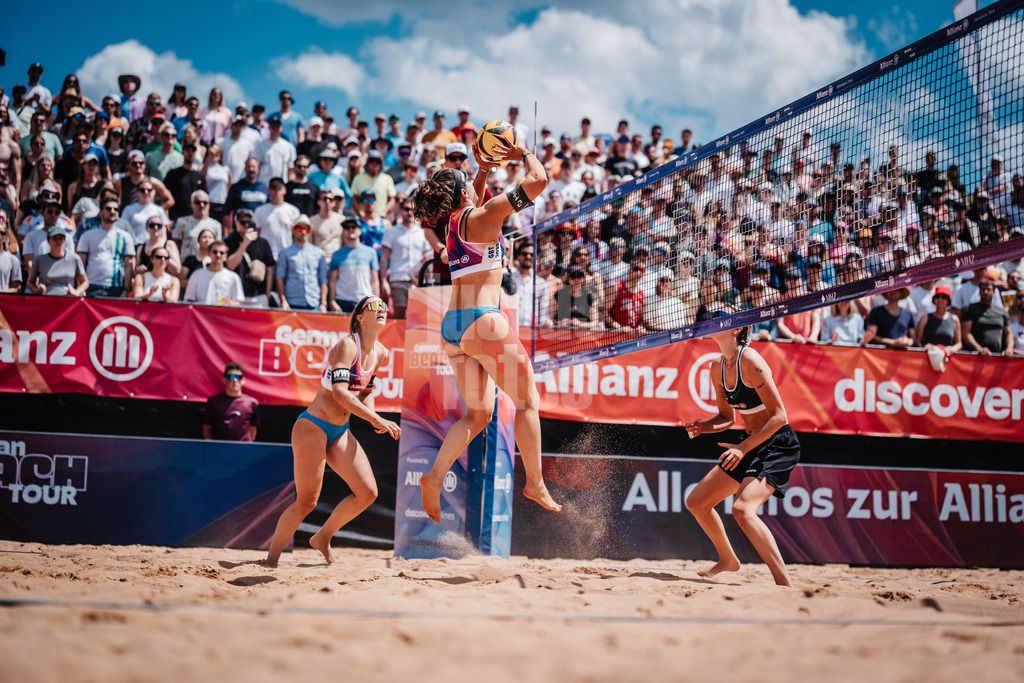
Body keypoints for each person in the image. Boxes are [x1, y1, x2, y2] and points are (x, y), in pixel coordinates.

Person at [411, 140, 561, 522]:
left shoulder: (452, 226)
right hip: (483, 320)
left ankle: (434, 477)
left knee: (478, 415)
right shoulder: (486, 215)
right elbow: (540, 179)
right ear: (463, 192)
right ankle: (535, 482)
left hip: (453, 327)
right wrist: (521, 153)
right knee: (528, 402)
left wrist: (481, 169)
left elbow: (471, 200)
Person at [265, 295, 401, 567]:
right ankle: (270, 562)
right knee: (306, 502)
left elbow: (366, 391)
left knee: (367, 493)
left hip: (339, 430)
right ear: (360, 317)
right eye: (374, 306)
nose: (382, 310)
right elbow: (339, 393)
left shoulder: (381, 352)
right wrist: (376, 418)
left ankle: (322, 538)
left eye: (385, 306)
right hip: (312, 427)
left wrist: (373, 418)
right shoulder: (347, 345)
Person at [683, 323, 800, 587]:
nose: (712, 323)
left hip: (776, 443)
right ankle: (728, 560)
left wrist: (743, 448)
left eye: (721, 320)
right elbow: (727, 418)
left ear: (737, 329)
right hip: (748, 443)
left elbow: (780, 417)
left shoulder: (750, 359)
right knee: (697, 502)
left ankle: (784, 583)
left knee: (742, 509)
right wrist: (703, 427)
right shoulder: (717, 367)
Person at [77, 197, 136, 298]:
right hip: (91, 287)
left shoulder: (125, 236)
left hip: (116, 288)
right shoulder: (87, 235)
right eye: (108, 208)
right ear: (100, 212)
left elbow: (129, 264)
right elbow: (80, 263)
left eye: (116, 209)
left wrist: (126, 290)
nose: (112, 212)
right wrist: (80, 288)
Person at [275, 215, 328, 311]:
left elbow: (323, 280)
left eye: (306, 229)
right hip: (292, 304)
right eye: (299, 228)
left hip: (313, 304)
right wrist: (283, 300)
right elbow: (280, 278)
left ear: (310, 231)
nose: (303, 232)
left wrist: (323, 303)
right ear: (294, 230)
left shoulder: (319, 253)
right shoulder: (285, 253)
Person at [328, 215, 379, 313]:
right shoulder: (336, 255)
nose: (350, 229)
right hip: (342, 301)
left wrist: (375, 302)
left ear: (360, 231)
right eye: (347, 228)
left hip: (365, 300)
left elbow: (375, 281)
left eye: (353, 227)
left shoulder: (370, 252)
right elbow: (332, 281)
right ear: (343, 232)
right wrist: (332, 301)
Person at [204, 362, 260, 441]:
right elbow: (206, 428)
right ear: (224, 380)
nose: (235, 380)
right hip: (219, 450)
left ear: (243, 380)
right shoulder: (214, 401)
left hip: (242, 450)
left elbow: (253, 429)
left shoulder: (252, 403)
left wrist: (248, 447)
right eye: (231, 377)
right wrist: (212, 447)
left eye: (238, 377)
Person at [961, 278, 1014, 358]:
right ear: (979, 291)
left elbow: (1008, 334)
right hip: (975, 357)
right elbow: (966, 333)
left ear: (994, 292)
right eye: (983, 289)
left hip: (997, 359)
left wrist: (1009, 349)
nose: (985, 292)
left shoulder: (1002, 312)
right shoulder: (969, 309)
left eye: (988, 289)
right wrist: (979, 349)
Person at [28, 226, 88, 296]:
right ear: (48, 241)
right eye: (55, 238)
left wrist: (76, 292)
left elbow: (84, 282)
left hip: (67, 299)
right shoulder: (39, 260)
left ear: (64, 241)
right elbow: (30, 282)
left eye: (61, 238)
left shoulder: (74, 259)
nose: (58, 242)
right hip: (46, 299)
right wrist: (37, 290)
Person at [183, 239, 244, 305]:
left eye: (221, 253)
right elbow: (189, 301)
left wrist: (230, 302)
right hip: (202, 314)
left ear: (226, 256)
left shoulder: (233, 277)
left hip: (223, 314)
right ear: (209, 254)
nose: (218, 255)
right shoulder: (196, 275)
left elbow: (238, 303)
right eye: (215, 252)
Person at [914, 284, 961, 353]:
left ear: (948, 300)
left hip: (948, 359)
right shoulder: (925, 318)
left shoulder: (954, 319)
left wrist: (952, 348)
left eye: (944, 297)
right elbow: (917, 341)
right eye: (937, 296)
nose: (940, 299)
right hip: (927, 358)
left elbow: (959, 343)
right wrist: (925, 347)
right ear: (934, 299)